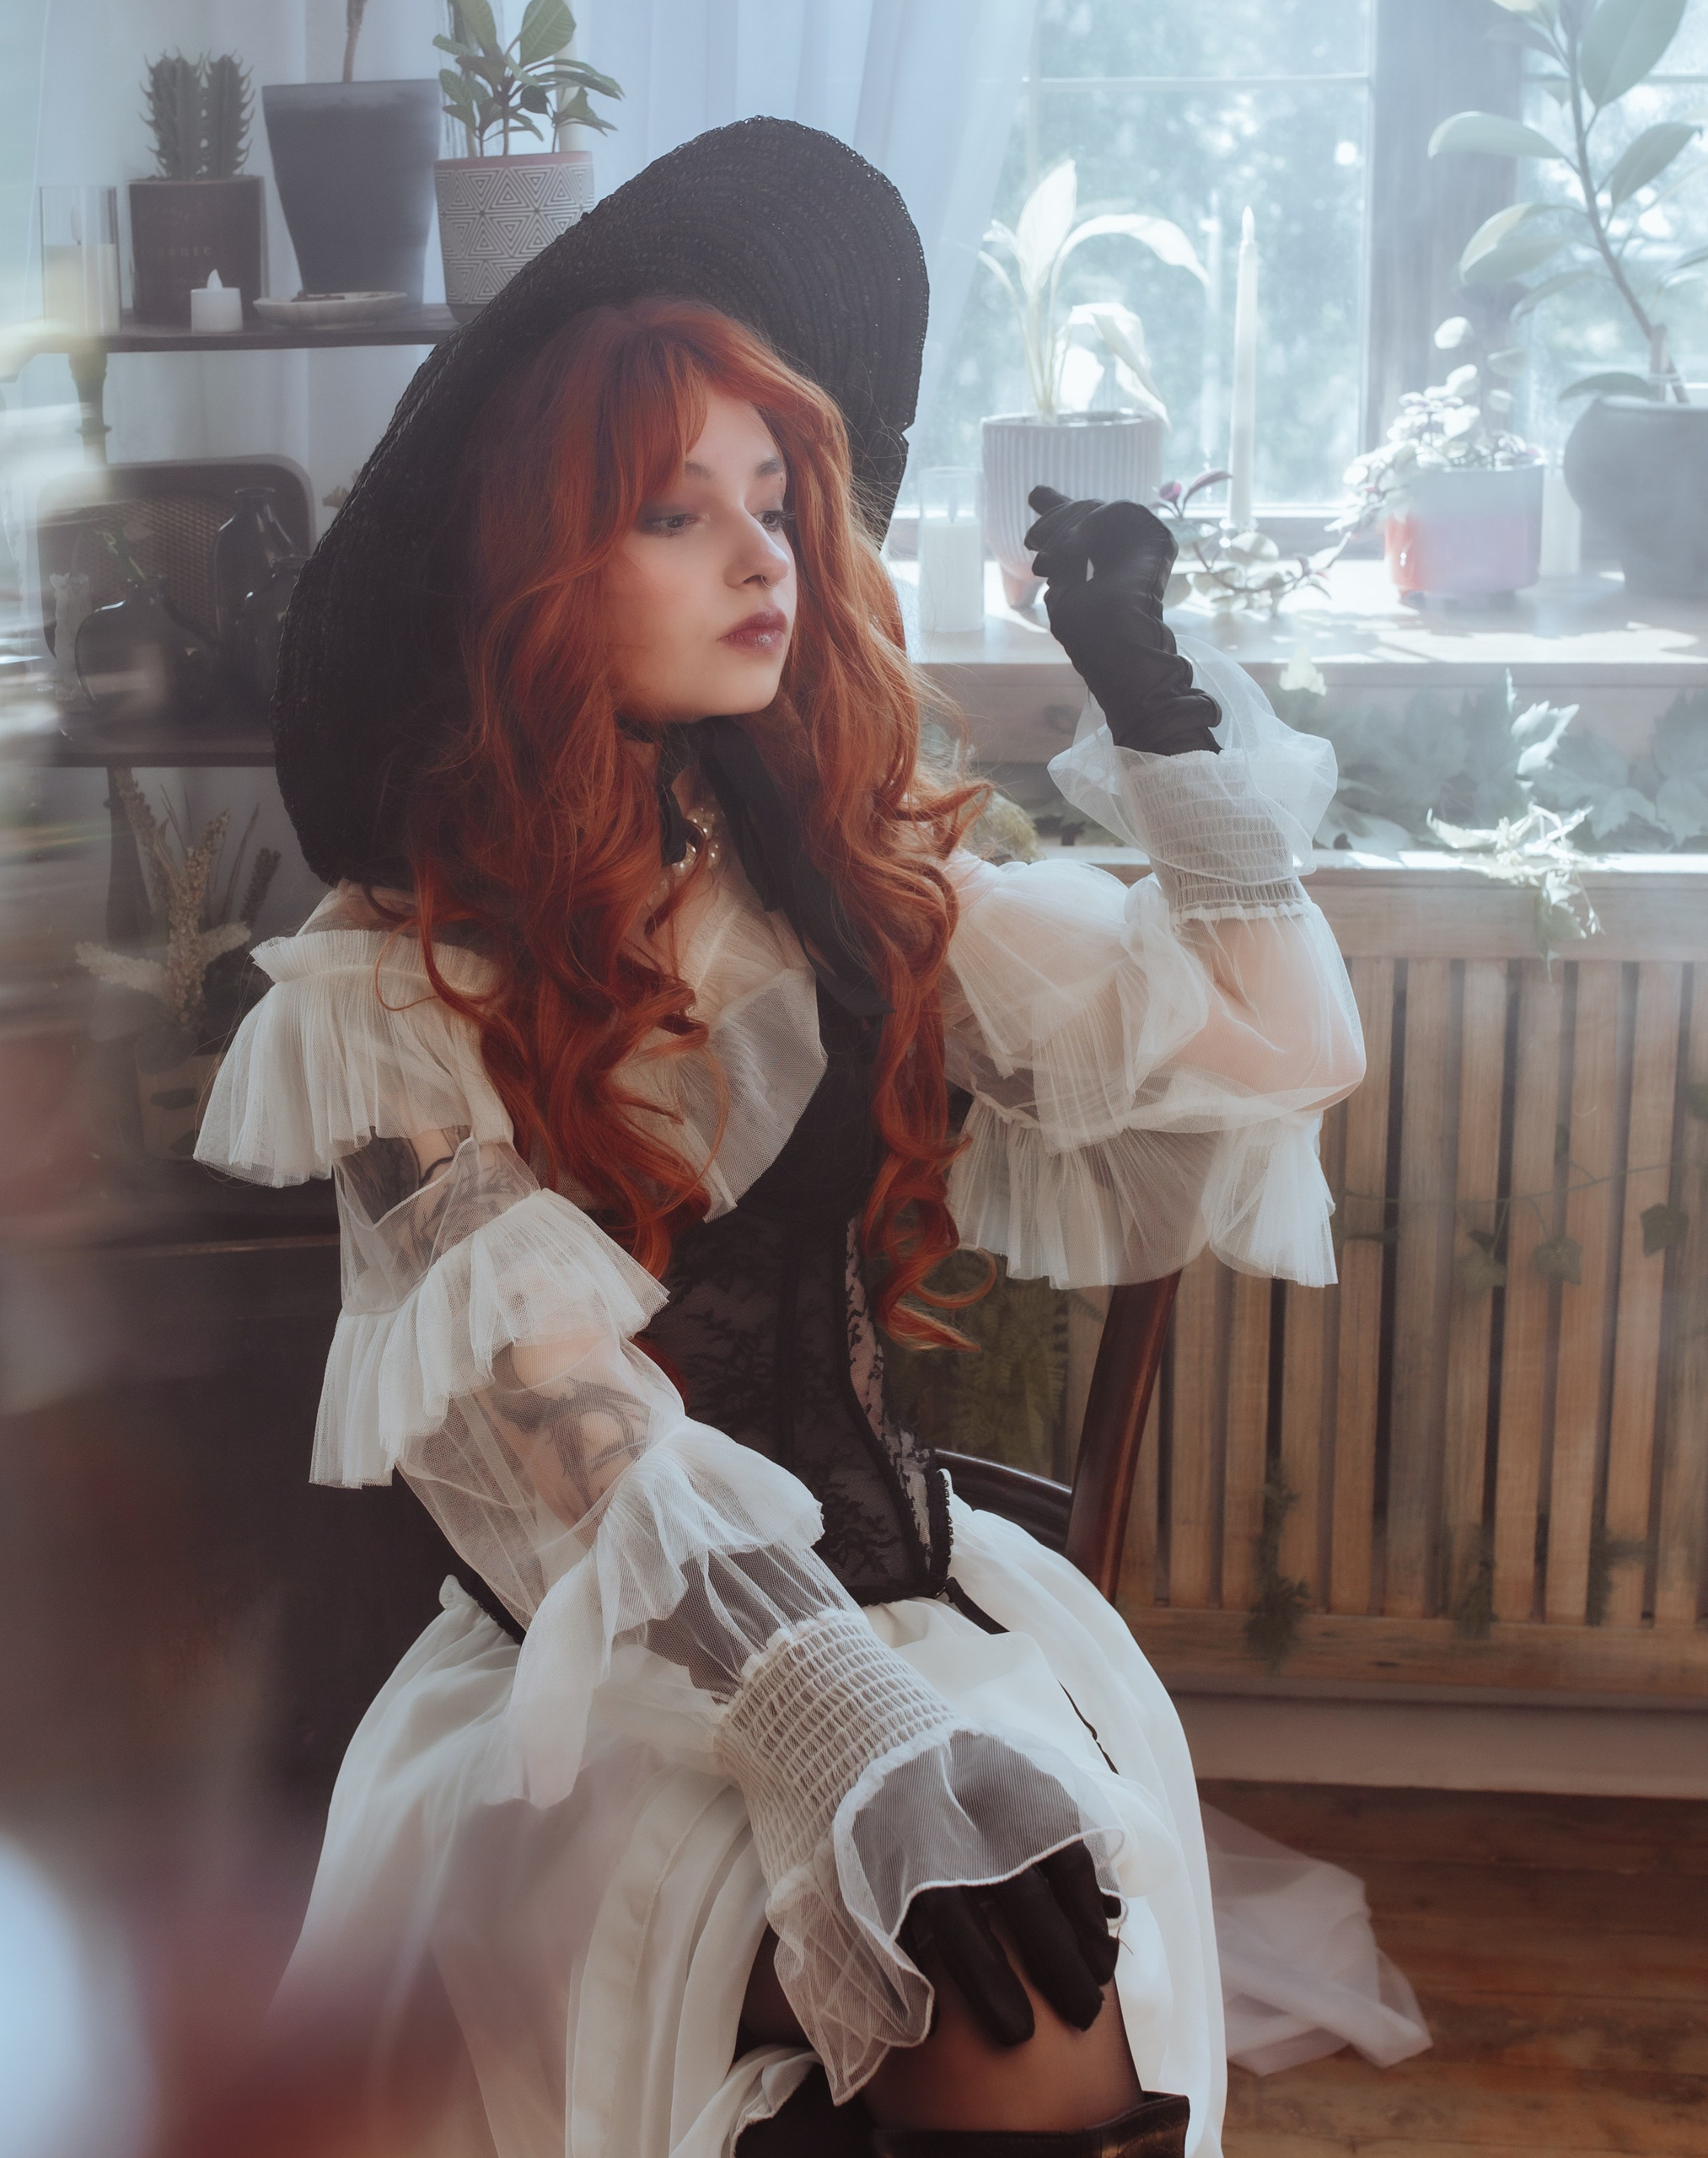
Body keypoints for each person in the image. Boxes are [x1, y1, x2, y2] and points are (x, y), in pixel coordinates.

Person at [196, 121, 1365, 2158]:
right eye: (675, 512)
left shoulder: (840, 876)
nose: (762, 559)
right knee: (1001, 2014)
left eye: (772, 500)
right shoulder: (387, 981)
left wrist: (1150, 699)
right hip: (617, 1691)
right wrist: (836, 1720)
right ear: (538, 570)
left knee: (1032, 1974)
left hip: (923, 1610)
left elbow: (1276, 1050)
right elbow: (566, 1439)